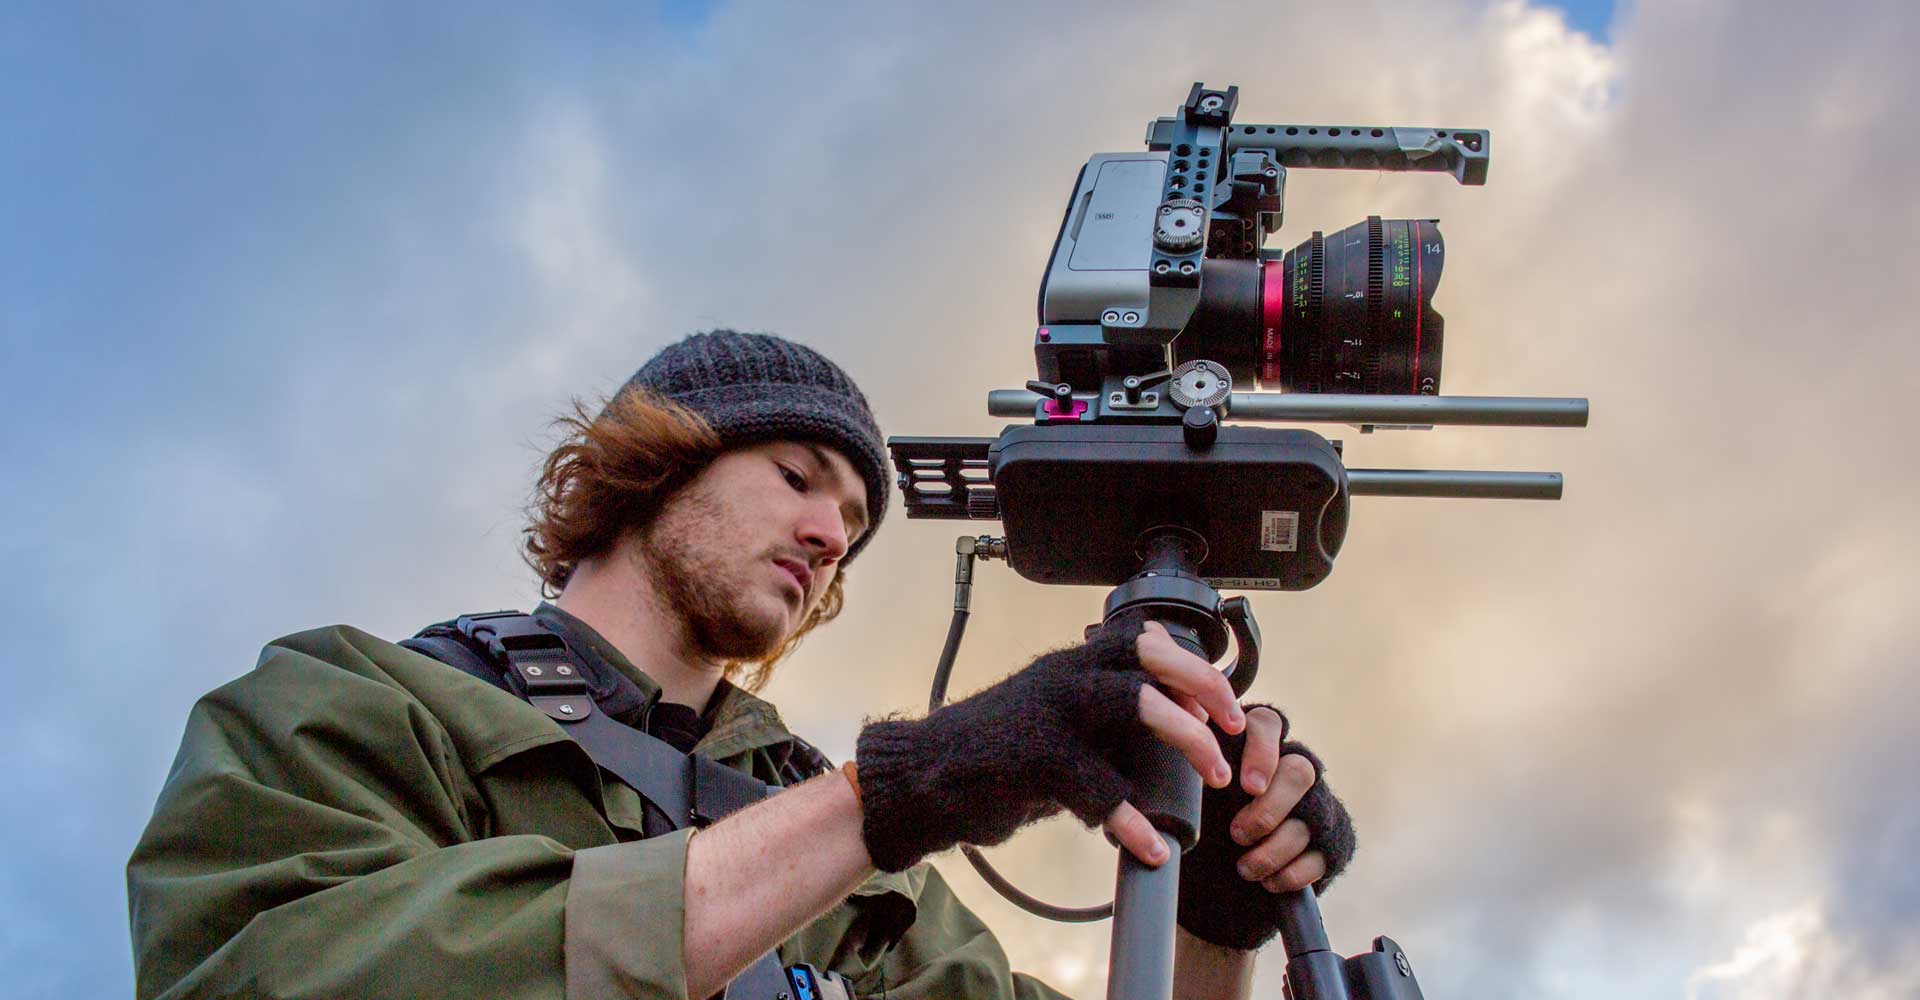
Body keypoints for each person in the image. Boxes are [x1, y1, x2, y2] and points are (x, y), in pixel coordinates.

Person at [127, 330, 1355, 999]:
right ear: (654, 463)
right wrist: (892, 794)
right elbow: (271, 977)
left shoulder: (847, 855)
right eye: (796, 477)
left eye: (853, 528)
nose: (829, 535)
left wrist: (1213, 916)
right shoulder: (355, 701)